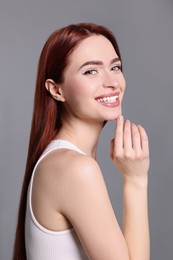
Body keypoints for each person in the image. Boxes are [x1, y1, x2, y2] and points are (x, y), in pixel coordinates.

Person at [13, 23, 150, 260]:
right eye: (90, 71)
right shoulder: (76, 169)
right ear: (56, 90)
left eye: (115, 67)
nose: (112, 82)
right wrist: (135, 180)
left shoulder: (61, 160)